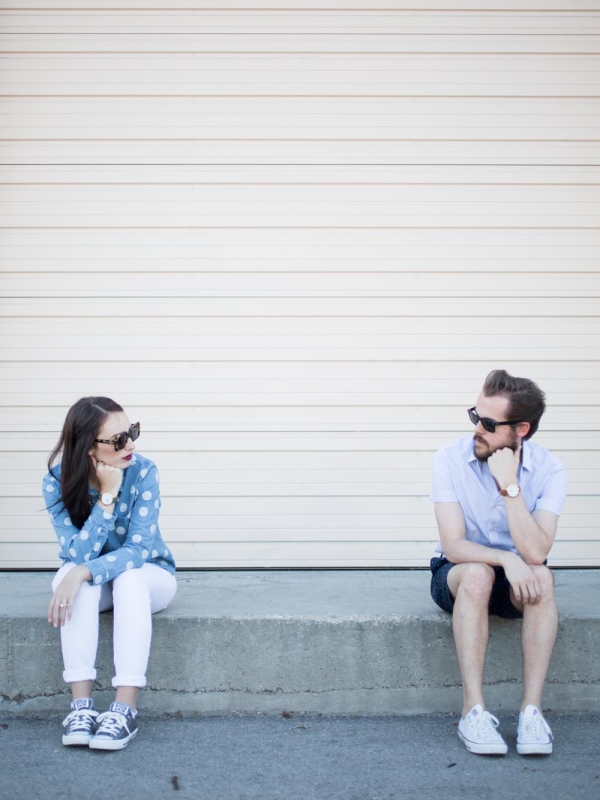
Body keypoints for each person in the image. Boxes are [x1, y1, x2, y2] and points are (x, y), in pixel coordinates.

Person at [430, 370, 568, 756]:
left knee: (542, 578)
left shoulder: (551, 470)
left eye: (490, 424)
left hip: (518, 582)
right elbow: (454, 545)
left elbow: (537, 552)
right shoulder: (449, 459)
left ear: (520, 429)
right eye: (476, 416)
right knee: (477, 575)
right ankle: (472, 711)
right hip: (459, 575)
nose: (478, 429)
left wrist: (510, 486)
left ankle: (531, 713)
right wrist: (506, 558)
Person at [43, 397, 177, 750]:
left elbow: (137, 552)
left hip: (150, 577)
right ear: (89, 448)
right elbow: (79, 553)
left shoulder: (144, 472)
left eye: (131, 432)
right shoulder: (56, 481)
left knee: (122, 579)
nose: (130, 444)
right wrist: (107, 496)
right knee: (73, 580)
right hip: (101, 584)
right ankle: (81, 707)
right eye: (118, 440)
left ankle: (124, 708)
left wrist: (83, 570)